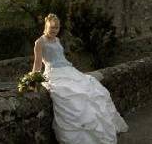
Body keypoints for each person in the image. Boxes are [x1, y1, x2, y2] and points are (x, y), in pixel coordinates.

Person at [31, 13, 128, 144]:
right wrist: (33, 79)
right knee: (71, 95)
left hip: (69, 71)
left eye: (57, 28)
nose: (55, 30)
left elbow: (62, 58)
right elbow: (37, 64)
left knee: (91, 89)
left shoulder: (58, 40)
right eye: (52, 27)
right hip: (54, 73)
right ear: (46, 26)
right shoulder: (39, 42)